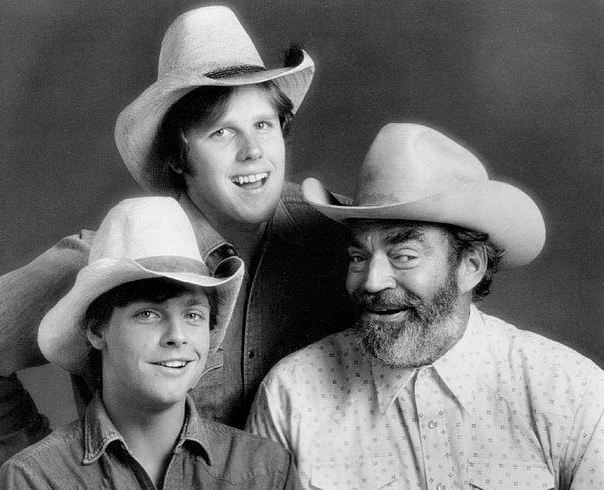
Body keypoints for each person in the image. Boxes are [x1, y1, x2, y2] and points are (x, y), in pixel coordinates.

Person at [0, 5, 353, 467]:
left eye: (263, 125)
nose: (253, 152)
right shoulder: (112, 261)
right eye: (222, 132)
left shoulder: (335, 232)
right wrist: (58, 472)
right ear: (176, 157)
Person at [246, 123, 604, 488]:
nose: (371, 281)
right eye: (358, 257)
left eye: (403, 255)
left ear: (470, 266)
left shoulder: (568, 391)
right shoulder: (292, 394)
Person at [0, 196, 302, 489]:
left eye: (193, 315)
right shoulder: (36, 478)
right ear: (97, 331)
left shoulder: (265, 470)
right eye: (148, 313)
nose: (177, 336)